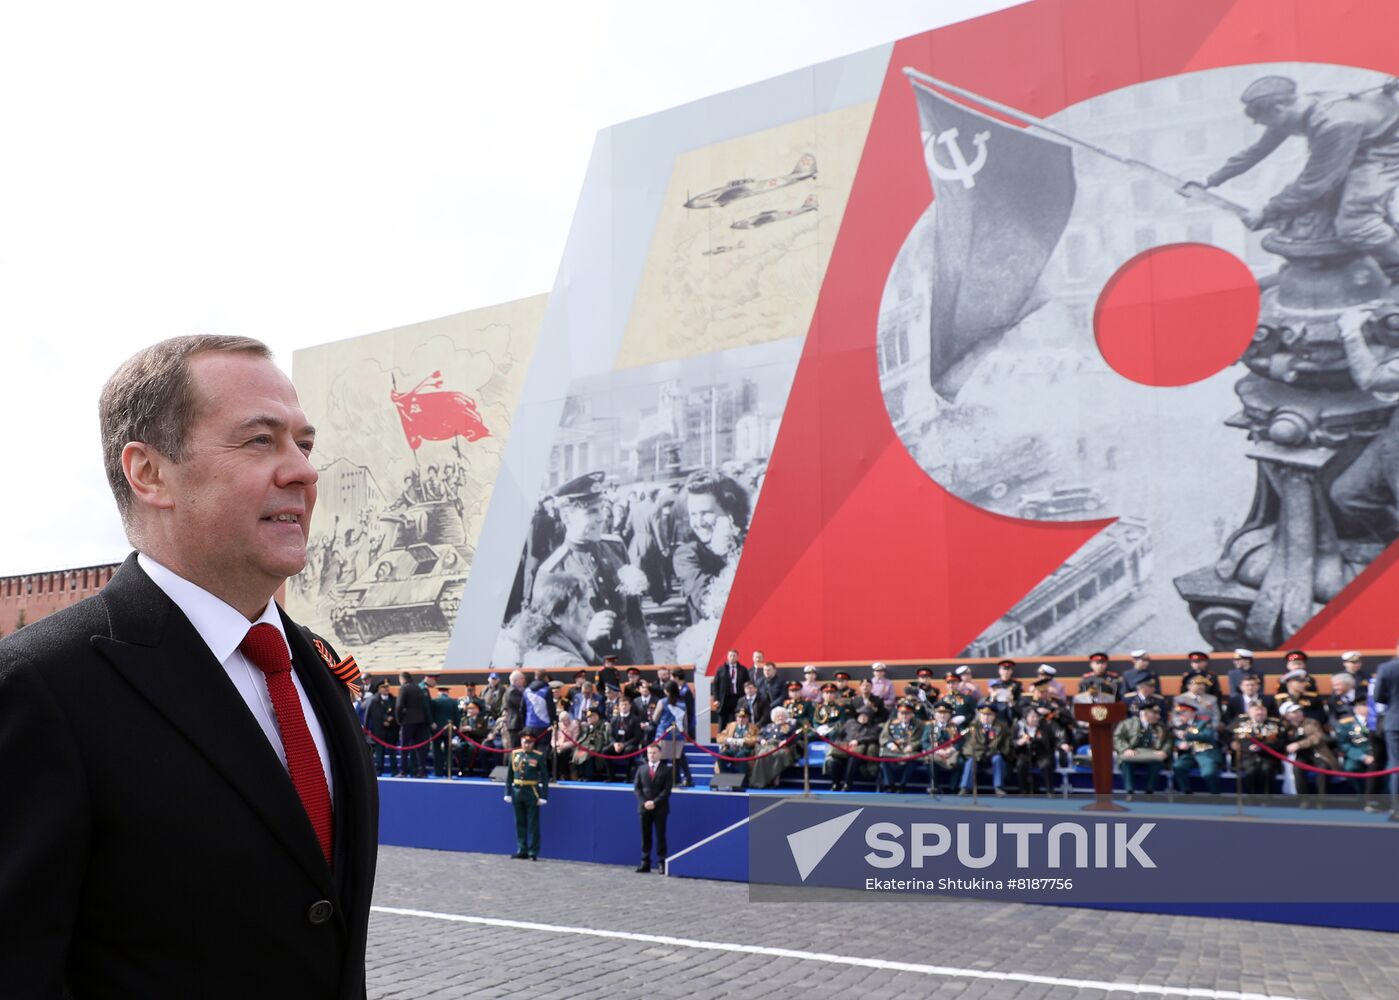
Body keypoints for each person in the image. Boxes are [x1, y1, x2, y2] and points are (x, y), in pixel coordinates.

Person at [0, 335, 378, 997]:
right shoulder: (41, 687)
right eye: (260, 441)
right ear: (149, 474)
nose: (303, 471)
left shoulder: (309, 668)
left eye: (304, 443)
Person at [1194, 75, 1399, 272]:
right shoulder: (1295, 108)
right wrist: (1211, 180)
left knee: (1357, 225)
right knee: (1323, 210)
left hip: (1385, 151)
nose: (1264, 126)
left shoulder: (1333, 122)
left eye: (1264, 121)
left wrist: (1267, 211)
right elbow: (1258, 150)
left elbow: (1314, 183)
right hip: (1360, 144)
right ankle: (1385, 256)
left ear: (1278, 108)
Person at [534, 471, 653, 665]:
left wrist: (646, 665)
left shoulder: (616, 547)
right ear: (566, 517)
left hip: (629, 661)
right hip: (588, 668)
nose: (602, 518)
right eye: (592, 511)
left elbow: (634, 617)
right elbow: (546, 639)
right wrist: (584, 634)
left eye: (602, 509)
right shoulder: (552, 571)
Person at [671, 469, 749, 624]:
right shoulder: (687, 555)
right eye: (693, 514)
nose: (699, 523)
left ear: (729, 511)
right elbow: (709, 604)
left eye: (706, 512)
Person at [1279, 700, 1339, 806]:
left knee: (1322, 767)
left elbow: (1316, 738)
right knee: (1297, 768)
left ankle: (1322, 800)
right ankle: (1303, 800)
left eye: (1299, 711)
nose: (1299, 714)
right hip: (1300, 756)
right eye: (1294, 712)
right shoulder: (1284, 727)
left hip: (1317, 753)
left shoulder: (1311, 722)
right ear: (1287, 716)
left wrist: (1298, 745)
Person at [504, 731, 549, 859]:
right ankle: (521, 849)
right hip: (518, 791)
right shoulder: (515, 754)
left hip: (531, 791)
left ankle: (533, 851)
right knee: (519, 822)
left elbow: (544, 778)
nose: (527, 745)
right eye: (524, 742)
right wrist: (507, 792)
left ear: (533, 743)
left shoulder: (538, 756)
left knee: (533, 824)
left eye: (529, 742)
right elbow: (509, 776)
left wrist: (544, 796)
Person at [1114, 704, 1169, 799]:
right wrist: (1125, 749)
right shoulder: (1127, 723)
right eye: (1154, 713)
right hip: (1132, 751)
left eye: (1158, 714)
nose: (1158, 716)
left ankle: (1149, 791)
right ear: (1145, 714)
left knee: (1156, 763)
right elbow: (1118, 737)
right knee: (1126, 762)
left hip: (1152, 753)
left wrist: (1164, 751)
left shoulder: (1161, 726)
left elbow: (1168, 741)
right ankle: (1129, 791)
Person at [1231, 702, 1286, 797]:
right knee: (1251, 771)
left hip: (1268, 756)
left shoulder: (1275, 723)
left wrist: (1262, 747)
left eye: (1262, 709)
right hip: (1247, 756)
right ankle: (1250, 797)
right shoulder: (1240, 723)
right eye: (1257, 709)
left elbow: (1280, 742)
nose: (1260, 712)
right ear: (1249, 711)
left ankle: (1266, 798)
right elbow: (1233, 738)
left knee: (1267, 769)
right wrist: (1247, 746)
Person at [634, 743, 673, 873]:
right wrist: (644, 802)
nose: (652, 755)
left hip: (660, 808)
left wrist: (654, 802)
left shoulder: (666, 770)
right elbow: (637, 789)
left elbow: (666, 791)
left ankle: (661, 862)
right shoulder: (641, 769)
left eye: (654, 753)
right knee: (645, 835)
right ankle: (645, 862)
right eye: (650, 753)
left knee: (660, 835)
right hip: (644, 808)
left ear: (660, 754)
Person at [1169, 702, 1223, 795]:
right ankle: (1186, 792)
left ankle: (1216, 795)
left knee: (1208, 773)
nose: (1181, 715)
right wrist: (1179, 744)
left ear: (1193, 712)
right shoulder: (1182, 726)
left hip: (1206, 752)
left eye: (1183, 712)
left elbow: (1207, 736)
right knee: (1178, 767)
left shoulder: (1204, 722)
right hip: (1191, 754)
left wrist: (1187, 735)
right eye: (1179, 713)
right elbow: (1175, 739)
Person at [826, 706, 880, 792]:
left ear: (869, 717)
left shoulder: (873, 727)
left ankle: (847, 784)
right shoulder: (850, 722)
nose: (863, 717)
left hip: (859, 751)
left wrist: (858, 741)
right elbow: (840, 734)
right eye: (861, 715)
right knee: (835, 761)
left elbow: (874, 738)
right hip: (844, 749)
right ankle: (835, 784)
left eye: (866, 716)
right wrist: (840, 743)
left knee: (853, 759)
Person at [960, 704, 1010, 796]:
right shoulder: (973, 726)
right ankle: (965, 787)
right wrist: (977, 753)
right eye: (983, 714)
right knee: (970, 761)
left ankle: (998, 787)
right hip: (978, 755)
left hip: (993, 754)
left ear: (994, 715)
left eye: (989, 715)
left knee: (998, 759)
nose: (986, 717)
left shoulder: (1002, 727)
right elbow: (969, 744)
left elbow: (1006, 744)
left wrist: (998, 752)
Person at [1373, 645, 1399, 818]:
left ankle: (1397, 809)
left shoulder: (1386, 668)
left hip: (1395, 722)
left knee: (1396, 766)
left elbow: (1378, 697)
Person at [878, 701, 924, 793]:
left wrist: (912, 746)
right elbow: (883, 737)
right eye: (902, 713)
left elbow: (922, 739)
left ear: (912, 714)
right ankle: (889, 784)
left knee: (913, 760)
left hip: (909, 751)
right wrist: (891, 744)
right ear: (898, 714)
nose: (904, 716)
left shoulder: (919, 724)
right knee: (884, 758)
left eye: (907, 714)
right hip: (894, 751)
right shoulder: (891, 722)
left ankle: (902, 785)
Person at [749, 707, 798, 789]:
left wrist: (786, 741)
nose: (780, 717)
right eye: (778, 716)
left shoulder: (790, 727)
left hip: (781, 746)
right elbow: (759, 735)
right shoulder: (768, 726)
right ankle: (760, 782)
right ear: (773, 717)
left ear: (786, 717)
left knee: (777, 755)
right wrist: (762, 740)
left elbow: (795, 737)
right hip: (767, 745)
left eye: (782, 716)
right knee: (762, 754)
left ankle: (775, 779)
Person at [922, 704, 964, 795]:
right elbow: (924, 742)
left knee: (960, 762)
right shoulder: (930, 727)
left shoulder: (955, 727)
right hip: (935, 753)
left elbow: (960, 742)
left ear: (949, 715)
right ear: (935, 714)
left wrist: (952, 749)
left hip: (951, 753)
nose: (942, 715)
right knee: (929, 760)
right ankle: (934, 785)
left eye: (945, 713)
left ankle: (953, 787)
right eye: (939, 713)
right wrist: (936, 750)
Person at [395, 669, 430, 777]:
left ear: (402, 679)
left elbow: (399, 706)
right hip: (420, 721)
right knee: (420, 748)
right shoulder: (419, 688)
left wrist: (399, 719)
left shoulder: (404, 688)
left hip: (407, 721)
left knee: (404, 748)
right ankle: (421, 771)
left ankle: (403, 771)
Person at [363, 677, 398, 775]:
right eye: (383, 687)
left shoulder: (394, 700)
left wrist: (392, 719)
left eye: (387, 687)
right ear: (379, 689)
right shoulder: (374, 701)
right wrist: (365, 731)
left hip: (392, 731)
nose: (386, 689)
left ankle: (394, 771)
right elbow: (370, 715)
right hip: (379, 732)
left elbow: (397, 713)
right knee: (379, 753)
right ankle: (379, 770)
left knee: (392, 753)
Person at [712, 647, 751, 729]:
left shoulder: (743, 669)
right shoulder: (721, 669)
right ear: (727, 657)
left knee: (738, 719)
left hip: (738, 698)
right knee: (723, 720)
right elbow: (716, 685)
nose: (732, 658)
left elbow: (747, 683)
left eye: (734, 656)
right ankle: (721, 739)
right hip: (725, 698)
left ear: (737, 657)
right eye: (731, 656)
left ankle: (737, 738)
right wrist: (716, 699)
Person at [428, 680, 461, 777]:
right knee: (448, 752)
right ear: (447, 692)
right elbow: (457, 717)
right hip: (449, 730)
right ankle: (448, 771)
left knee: (436, 751)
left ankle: (438, 772)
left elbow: (431, 715)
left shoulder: (434, 701)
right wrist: (456, 730)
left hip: (436, 730)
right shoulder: (453, 702)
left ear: (439, 692)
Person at [717, 706, 759, 779]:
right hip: (732, 749)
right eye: (739, 717)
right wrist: (728, 740)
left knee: (740, 755)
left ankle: (742, 779)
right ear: (736, 718)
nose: (741, 719)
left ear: (748, 718)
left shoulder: (753, 727)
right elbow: (720, 737)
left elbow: (756, 738)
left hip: (746, 750)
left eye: (744, 717)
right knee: (721, 755)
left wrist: (744, 740)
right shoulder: (731, 726)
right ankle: (724, 777)